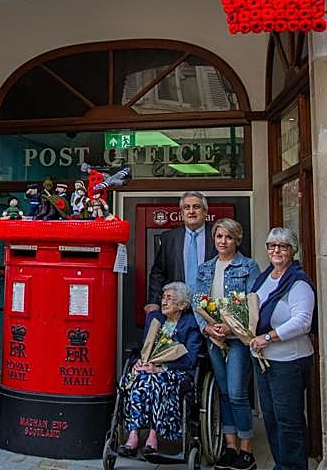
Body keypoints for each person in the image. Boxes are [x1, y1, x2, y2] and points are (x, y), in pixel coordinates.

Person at [194, 218, 261, 470]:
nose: (223, 241)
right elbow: (197, 301)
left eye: (229, 237)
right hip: (214, 339)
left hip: (238, 339)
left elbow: (253, 302)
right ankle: (230, 446)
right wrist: (207, 327)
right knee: (223, 393)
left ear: (237, 240)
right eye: (219, 236)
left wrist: (232, 327)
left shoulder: (248, 266)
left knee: (237, 393)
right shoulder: (205, 268)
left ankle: (247, 450)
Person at [249, 227, 317, 470]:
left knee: (288, 421)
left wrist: (268, 337)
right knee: (271, 418)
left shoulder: (298, 282)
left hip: (290, 361)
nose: (276, 250)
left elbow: (302, 322)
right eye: (272, 246)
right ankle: (281, 465)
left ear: (292, 250)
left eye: (282, 246)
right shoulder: (265, 277)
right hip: (264, 360)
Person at [118, 281, 202, 457]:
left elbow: (190, 359)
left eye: (169, 298)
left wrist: (162, 368)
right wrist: (138, 362)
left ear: (182, 305)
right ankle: (133, 435)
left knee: (156, 381)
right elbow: (144, 348)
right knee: (139, 379)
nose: (164, 301)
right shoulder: (155, 319)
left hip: (176, 373)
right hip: (149, 370)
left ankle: (153, 436)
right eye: (163, 297)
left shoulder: (191, 324)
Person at [146, 191, 215, 311]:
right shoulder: (169, 238)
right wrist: (153, 302)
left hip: (210, 307)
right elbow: (158, 273)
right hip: (177, 309)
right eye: (187, 207)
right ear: (182, 213)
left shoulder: (217, 236)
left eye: (196, 207)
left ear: (205, 212)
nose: (191, 211)